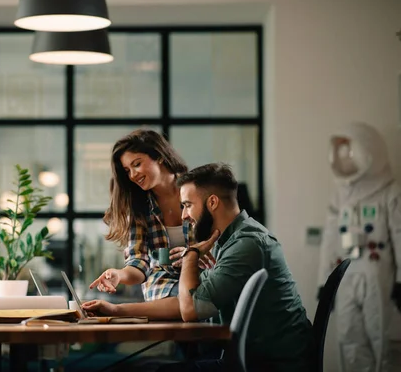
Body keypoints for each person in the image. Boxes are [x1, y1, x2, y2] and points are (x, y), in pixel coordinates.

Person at [84, 163, 314, 372]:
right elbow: (187, 302)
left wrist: (191, 254)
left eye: (187, 205)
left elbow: (190, 309)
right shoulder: (228, 241)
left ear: (212, 202)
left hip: (271, 363)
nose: (184, 215)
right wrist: (116, 310)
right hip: (253, 355)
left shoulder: (247, 245)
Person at [89, 129, 211, 302]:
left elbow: (219, 240)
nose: (132, 175)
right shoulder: (138, 207)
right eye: (127, 170)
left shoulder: (199, 190)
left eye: (137, 164)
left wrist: (192, 256)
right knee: (190, 299)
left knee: (206, 296)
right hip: (164, 286)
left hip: (205, 277)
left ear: (159, 156)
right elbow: (139, 263)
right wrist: (119, 275)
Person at [317, 122, 401, 372]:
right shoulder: (340, 195)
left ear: (368, 151)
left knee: (381, 337)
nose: (345, 157)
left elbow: (400, 235)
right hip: (346, 273)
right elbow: (330, 238)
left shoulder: (390, 192)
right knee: (349, 337)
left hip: (377, 272)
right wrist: (324, 282)